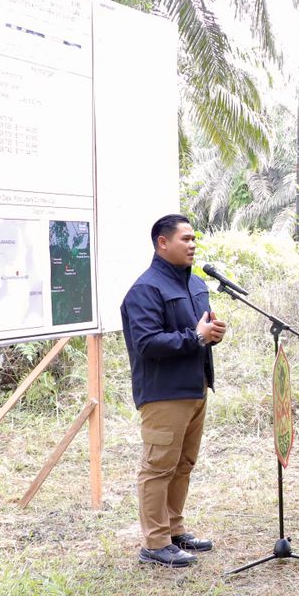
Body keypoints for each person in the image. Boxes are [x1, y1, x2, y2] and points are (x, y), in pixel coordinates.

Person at [120, 214, 228, 568]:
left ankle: (173, 530)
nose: (192, 245)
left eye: (194, 238)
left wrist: (212, 333)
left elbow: (199, 331)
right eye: (185, 239)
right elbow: (147, 343)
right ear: (162, 243)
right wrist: (195, 337)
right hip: (164, 393)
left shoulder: (197, 285)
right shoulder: (145, 290)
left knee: (183, 464)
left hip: (195, 387)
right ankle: (154, 543)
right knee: (158, 467)